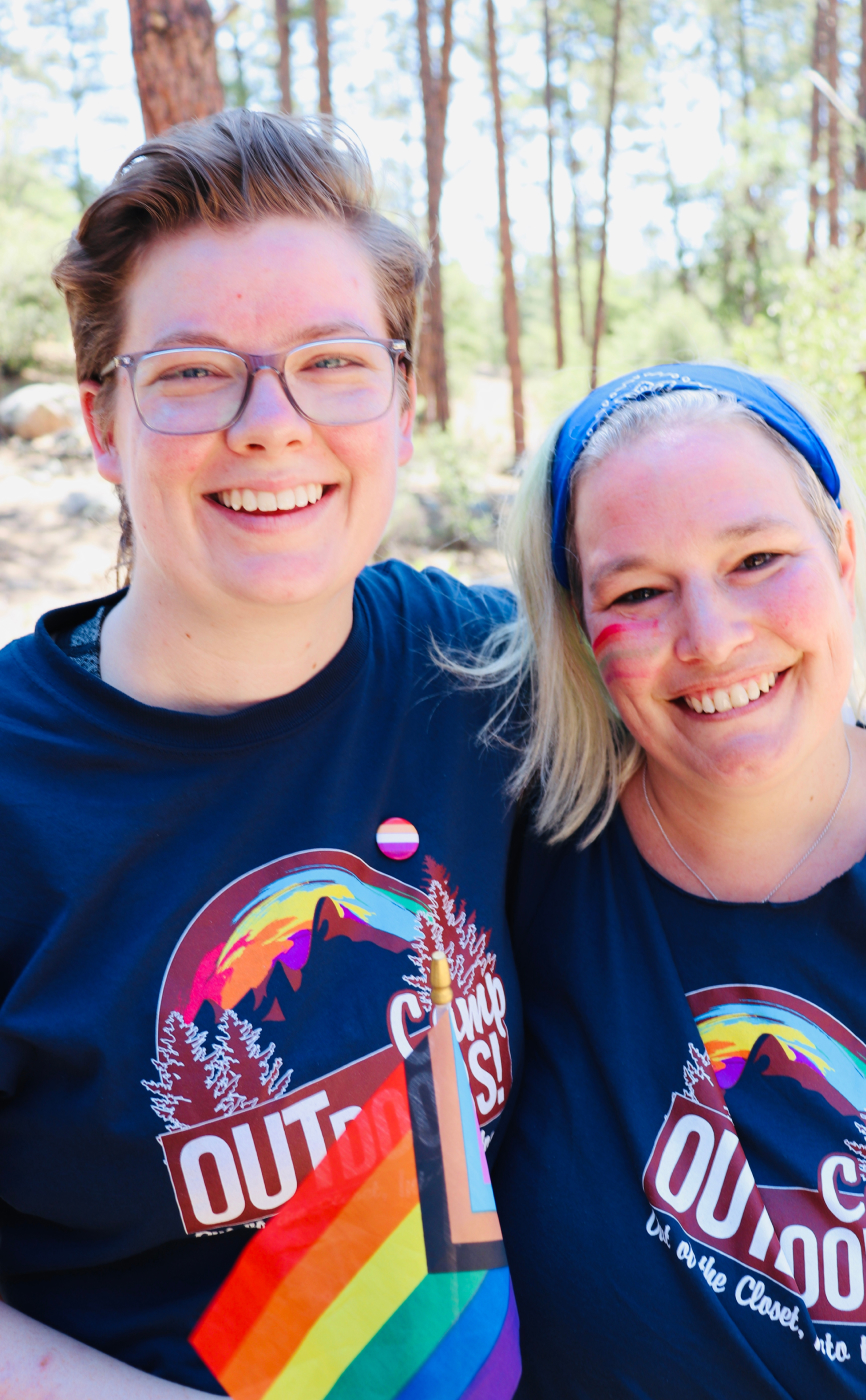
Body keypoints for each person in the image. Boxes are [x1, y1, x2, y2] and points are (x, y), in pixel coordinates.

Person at [0, 110, 521, 1398]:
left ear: (401, 401)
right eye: (188, 371)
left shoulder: (487, 677)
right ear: (103, 424)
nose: (270, 422)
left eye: (332, 361)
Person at [482, 363, 866, 1397]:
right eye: (637, 591)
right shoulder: (516, 863)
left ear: (842, 553)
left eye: (757, 558)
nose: (711, 638)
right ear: (582, 630)